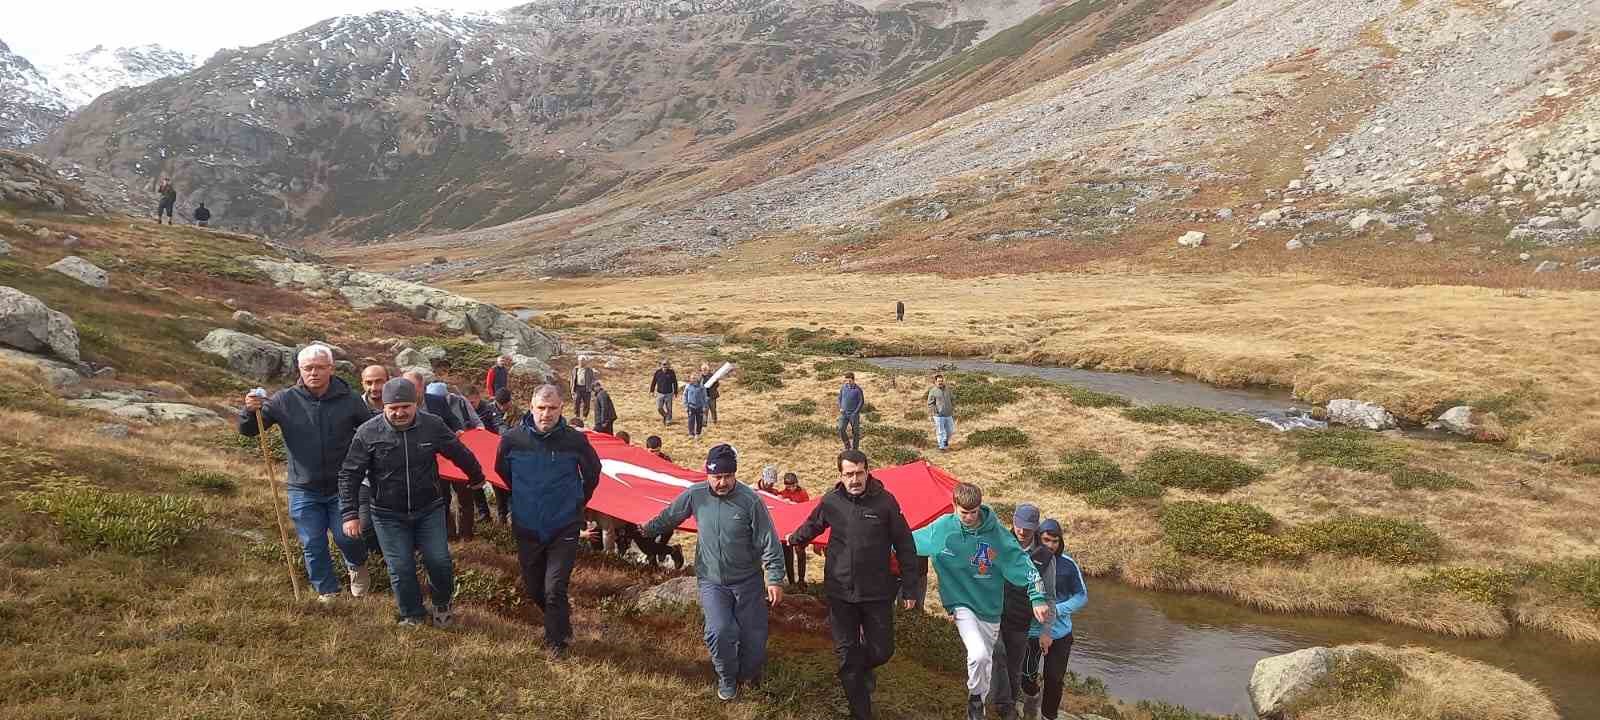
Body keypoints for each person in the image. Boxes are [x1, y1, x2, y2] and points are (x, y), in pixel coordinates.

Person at [642, 444, 785, 701]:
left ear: (735, 474)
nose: (722, 482)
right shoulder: (695, 495)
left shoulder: (750, 501)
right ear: (707, 473)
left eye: (728, 476)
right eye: (717, 477)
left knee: (753, 637)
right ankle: (728, 679)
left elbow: (769, 541)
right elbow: (670, 516)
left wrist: (774, 578)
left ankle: (748, 676)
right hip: (712, 581)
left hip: (748, 581)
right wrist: (646, 530)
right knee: (719, 631)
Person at [338, 378, 486, 626]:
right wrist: (350, 513)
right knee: (401, 567)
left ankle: (441, 603)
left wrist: (476, 476)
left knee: (438, 561)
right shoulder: (367, 432)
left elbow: (457, 451)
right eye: (392, 408)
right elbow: (349, 473)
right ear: (383, 407)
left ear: (416, 403)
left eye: (405, 406)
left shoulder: (433, 425)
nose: (399, 412)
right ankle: (412, 614)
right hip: (386, 514)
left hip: (429, 508)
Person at [787, 449, 920, 720]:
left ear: (868, 471)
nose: (855, 479)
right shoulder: (831, 501)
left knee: (883, 651)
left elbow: (905, 544)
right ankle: (861, 711)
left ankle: (861, 668)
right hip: (840, 591)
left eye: (859, 473)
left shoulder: (885, 503)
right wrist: (792, 539)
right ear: (841, 475)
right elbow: (813, 525)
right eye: (849, 474)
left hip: (877, 592)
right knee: (847, 657)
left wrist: (910, 587)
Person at [239, 344, 372, 603]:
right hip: (303, 486)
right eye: (308, 368)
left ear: (331, 369)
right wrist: (249, 410)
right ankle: (327, 591)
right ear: (300, 369)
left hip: (341, 486)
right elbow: (249, 430)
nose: (314, 373)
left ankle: (356, 565)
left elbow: (369, 431)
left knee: (348, 537)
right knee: (312, 542)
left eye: (320, 367)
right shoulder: (284, 400)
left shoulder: (350, 398)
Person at [913, 482, 1051, 720]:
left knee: (985, 661)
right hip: (960, 603)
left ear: (980, 507)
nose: (968, 517)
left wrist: (1037, 596)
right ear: (953, 506)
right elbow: (907, 541)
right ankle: (976, 701)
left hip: (990, 609)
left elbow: (1020, 562)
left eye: (973, 512)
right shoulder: (943, 528)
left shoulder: (995, 532)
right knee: (977, 654)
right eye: (963, 512)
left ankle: (977, 702)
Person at [496, 384, 602, 657]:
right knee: (534, 589)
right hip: (527, 524)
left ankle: (556, 643)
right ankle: (562, 622)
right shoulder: (511, 439)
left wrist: (577, 503)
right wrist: (524, 498)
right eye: (541, 408)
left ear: (561, 409)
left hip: (564, 525)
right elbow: (503, 472)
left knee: (554, 587)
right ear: (531, 408)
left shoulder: (575, 440)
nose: (546, 414)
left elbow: (593, 473)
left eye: (552, 408)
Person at [990, 504, 1056, 720]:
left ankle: (1008, 702)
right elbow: (979, 571)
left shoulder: (1045, 556)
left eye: (1027, 528)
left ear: (1036, 527)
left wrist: (1046, 631)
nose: (1021, 531)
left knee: (1014, 666)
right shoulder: (997, 542)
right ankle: (1001, 704)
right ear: (1013, 520)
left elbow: (1049, 597)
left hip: (1020, 619)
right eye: (1018, 525)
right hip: (992, 612)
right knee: (997, 653)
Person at [1029, 518, 1087, 720]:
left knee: (1054, 678)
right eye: (1046, 540)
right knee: (1026, 676)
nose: (1051, 545)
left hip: (1060, 633)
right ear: (1038, 538)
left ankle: (1048, 715)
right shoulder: (1028, 560)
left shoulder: (1069, 564)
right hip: (1032, 632)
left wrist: (1057, 610)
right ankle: (1031, 697)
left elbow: (1081, 596)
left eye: (1055, 541)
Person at [777, 473, 810, 585]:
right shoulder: (781, 494)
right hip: (786, 528)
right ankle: (791, 581)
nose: (791, 488)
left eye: (793, 485)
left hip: (799, 527)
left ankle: (801, 580)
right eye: (788, 486)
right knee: (788, 556)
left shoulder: (802, 494)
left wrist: (792, 504)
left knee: (800, 553)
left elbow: (805, 509)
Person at [927, 374, 956, 451]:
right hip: (938, 415)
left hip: (948, 414)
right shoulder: (933, 391)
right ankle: (941, 447)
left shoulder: (948, 389)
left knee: (951, 430)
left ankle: (945, 440)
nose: (940, 382)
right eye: (939, 381)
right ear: (935, 382)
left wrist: (952, 408)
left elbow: (952, 399)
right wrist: (935, 411)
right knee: (940, 431)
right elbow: (930, 403)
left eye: (941, 381)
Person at [837, 372, 865, 451]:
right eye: (846, 381)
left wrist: (855, 412)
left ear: (853, 380)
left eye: (849, 381)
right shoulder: (843, 387)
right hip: (844, 413)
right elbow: (839, 398)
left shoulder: (858, 390)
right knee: (841, 429)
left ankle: (855, 449)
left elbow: (861, 402)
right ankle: (847, 446)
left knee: (855, 432)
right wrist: (840, 408)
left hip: (853, 415)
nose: (847, 383)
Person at [650, 359, 678, 424]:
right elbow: (653, 382)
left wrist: (676, 392)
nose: (665, 366)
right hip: (660, 393)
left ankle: (668, 420)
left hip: (669, 393)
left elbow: (675, 382)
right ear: (661, 365)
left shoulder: (671, 372)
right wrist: (652, 391)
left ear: (669, 365)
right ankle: (665, 416)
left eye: (666, 364)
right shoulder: (658, 372)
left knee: (669, 408)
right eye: (664, 364)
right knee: (659, 408)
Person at [571, 356, 598, 421]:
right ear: (578, 361)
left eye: (583, 361)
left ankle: (585, 416)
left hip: (586, 388)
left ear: (585, 362)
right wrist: (572, 388)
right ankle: (577, 415)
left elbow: (593, 379)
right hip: (577, 387)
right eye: (580, 361)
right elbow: (572, 379)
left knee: (586, 402)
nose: (581, 362)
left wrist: (592, 388)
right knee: (576, 401)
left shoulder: (589, 370)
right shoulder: (575, 369)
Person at [684, 373, 709, 440]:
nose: (693, 379)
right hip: (691, 406)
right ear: (690, 379)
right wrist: (686, 406)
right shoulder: (688, 386)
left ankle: (698, 433)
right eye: (692, 378)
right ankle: (691, 433)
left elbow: (704, 397)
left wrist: (704, 406)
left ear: (697, 379)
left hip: (699, 406)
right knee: (691, 421)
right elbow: (685, 396)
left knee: (699, 421)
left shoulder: (701, 387)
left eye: (695, 378)